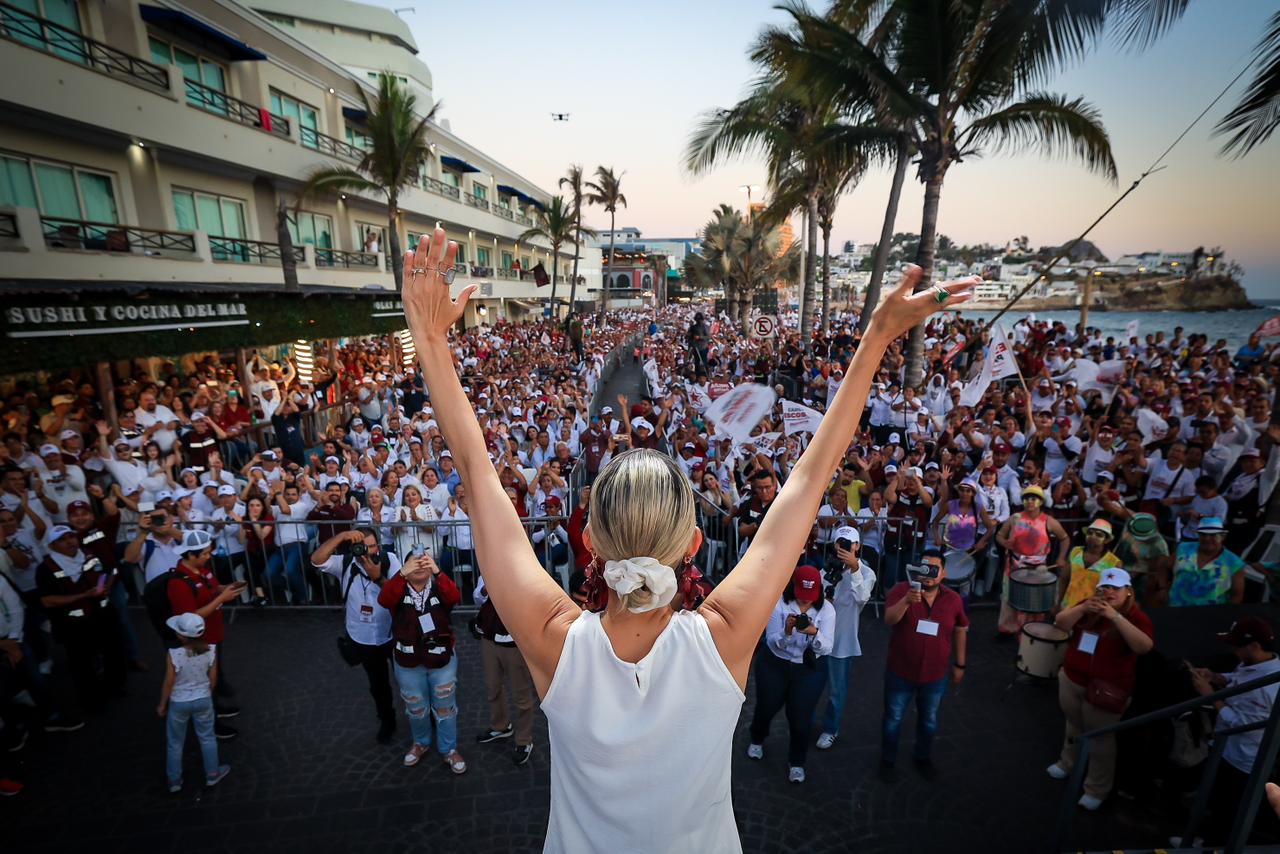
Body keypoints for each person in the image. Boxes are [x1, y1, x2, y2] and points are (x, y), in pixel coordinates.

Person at [400, 227, 973, 851]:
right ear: (695, 543)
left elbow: (479, 474)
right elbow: (808, 481)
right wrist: (876, 338)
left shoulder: (558, 644)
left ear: (588, 540)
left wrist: (430, 339)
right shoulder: (721, 639)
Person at [1047, 568, 1154, 810]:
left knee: (1101, 738)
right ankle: (1068, 762)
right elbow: (1061, 623)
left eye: (1115, 588)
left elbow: (1144, 646)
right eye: (1105, 587)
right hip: (1074, 679)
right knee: (1073, 724)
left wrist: (1115, 617)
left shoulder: (1136, 617)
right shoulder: (1089, 606)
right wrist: (1083, 608)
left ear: (1128, 592)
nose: (1109, 592)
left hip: (1107, 689)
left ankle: (1096, 787)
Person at [1189, 616, 1280, 844]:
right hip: (1225, 749)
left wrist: (1210, 696)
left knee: (1227, 812)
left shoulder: (1268, 688)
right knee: (1216, 803)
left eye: (1236, 646)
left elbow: (1245, 727)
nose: (1232, 651)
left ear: (1254, 646)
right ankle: (1203, 840)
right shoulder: (1254, 663)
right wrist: (1218, 677)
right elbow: (1240, 678)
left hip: (1241, 761)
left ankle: (1211, 845)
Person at [879, 549, 968, 782]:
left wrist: (960, 664)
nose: (927, 574)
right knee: (893, 718)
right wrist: (907, 601)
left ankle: (922, 757)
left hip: (935, 675)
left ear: (944, 573)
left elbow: (961, 629)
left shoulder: (953, 599)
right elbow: (889, 620)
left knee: (929, 719)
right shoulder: (901, 589)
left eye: (934, 569)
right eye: (923, 567)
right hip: (901, 671)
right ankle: (887, 760)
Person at [376, 549, 466, 773]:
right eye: (413, 563)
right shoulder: (398, 589)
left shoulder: (438, 587)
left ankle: (449, 749)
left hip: (441, 659)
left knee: (445, 706)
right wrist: (400, 575)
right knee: (416, 707)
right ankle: (421, 743)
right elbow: (384, 599)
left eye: (423, 563)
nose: (419, 567)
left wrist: (438, 571)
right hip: (408, 661)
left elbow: (455, 597)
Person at [311, 527, 400, 743]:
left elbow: (400, 593)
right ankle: (387, 719)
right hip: (363, 638)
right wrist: (341, 536)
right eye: (362, 548)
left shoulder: (389, 560)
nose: (367, 553)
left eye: (371, 547)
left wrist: (378, 577)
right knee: (378, 685)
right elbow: (316, 559)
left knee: (409, 680)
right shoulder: (344, 564)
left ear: (378, 546)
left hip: (392, 633)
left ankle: (424, 716)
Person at [745, 566, 834, 783]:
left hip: (808, 668)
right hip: (775, 663)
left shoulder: (827, 611)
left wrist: (815, 633)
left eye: (810, 598)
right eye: (802, 597)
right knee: (766, 706)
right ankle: (757, 738)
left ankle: (797, 762)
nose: (805, 604)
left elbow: (827, 648)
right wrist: (787, 632)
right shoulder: (779, 604)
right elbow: (773, 641)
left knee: (801, 718)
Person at [36, 525, 127, 713]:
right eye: (63, 539)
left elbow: (107, 573)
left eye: (71, 536)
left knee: (113, 652)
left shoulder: (90, 555)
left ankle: (114, 687)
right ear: (52, 545)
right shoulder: (45, 568)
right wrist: (83, 596)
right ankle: (92, 699)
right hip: (74, 625)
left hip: (103, 616)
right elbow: (47, 601)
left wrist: (107, 585)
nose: (70, 541)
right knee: (82, 664)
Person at [166, 530, 246, 739]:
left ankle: (216, 707)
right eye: (204, 554)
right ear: (190, 555)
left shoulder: (202, 569)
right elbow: (190, 617)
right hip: (200, 639)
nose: (208, 557)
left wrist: (225, 588)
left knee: (214, 675)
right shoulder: (178, 582)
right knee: (203, 683)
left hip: (213, 633)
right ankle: (211, 724)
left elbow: (211, 588)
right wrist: (221, 599)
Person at [815, 527, 876, 750]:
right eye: (840, 545)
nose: (844, 549)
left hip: (842, 642)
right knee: (813, 686)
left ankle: (831, 728)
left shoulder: (867, 573)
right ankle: (810, 721)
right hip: (819, 641)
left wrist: (854, 567)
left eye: (849, 545)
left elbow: (863, 597)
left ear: (857, 546)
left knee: (836, 691)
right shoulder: (826, 572)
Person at [156, 612, 229, 793]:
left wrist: (162, 704)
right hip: (203, 699)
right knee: (207, 737)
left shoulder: (174, 654)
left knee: (175, 742)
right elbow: (212, 679)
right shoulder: (211, 649)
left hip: (179, 702)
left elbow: (169, 682)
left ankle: (174, 780)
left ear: (180, 635)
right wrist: (205, 693)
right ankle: (212, 774)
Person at [473, 572, 536, 765]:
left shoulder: (527, 571)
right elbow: (477, 599)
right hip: (490, 638)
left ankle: (524, 740)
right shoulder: (489, 566)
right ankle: (500, 726)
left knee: (521, 694)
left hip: (514, 642)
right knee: (493, 686)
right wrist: (486, 589)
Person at [994, 486, 1069, 637]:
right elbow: (999, 535)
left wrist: (1061, 557)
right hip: (1015, 565)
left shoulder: (1049, 521)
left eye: (1034, 498)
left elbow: (1064, 538)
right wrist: (1005, 543)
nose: (1030, 502)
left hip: (1038, 569)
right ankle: (1007, 629)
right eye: (1027, 498)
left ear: (1041, 501)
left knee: (1035, 600)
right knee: (1009, 598)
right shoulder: (1015, 518)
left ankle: (1031, 630)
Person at [1163, 517, 1246, 607]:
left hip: (1210, 616)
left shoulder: (1234, 563)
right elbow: (1164, 565)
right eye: (1203, 534)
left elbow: (1237, 596)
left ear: (1223, 536)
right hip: (1175, 609)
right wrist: (1162, 588)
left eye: (1213, 535)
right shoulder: (1183, 548)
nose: (1207, 538)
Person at [1059, 519, 1122, 610]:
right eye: (1090, 533)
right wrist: (1058, 602)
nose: (1093, 536)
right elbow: (1064, 579)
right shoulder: (1075, 552)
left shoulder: (1113, 563)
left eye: (1099, 535)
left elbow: (1113, 593)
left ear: (1106, 540)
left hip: (1092, 610)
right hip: (1067, 606)